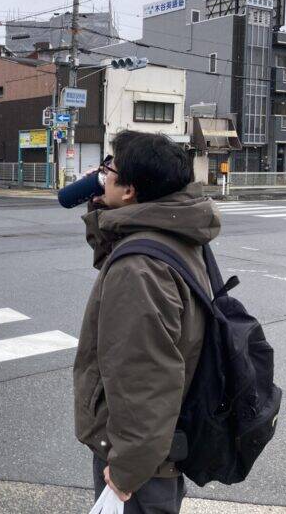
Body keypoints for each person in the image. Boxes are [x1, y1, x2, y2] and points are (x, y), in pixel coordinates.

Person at [73, 130, 221, 513]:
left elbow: (145, 383)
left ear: (129, 192)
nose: (101, 175)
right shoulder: (176, 234)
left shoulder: (138, 269)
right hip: (159, 451)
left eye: (109, 169)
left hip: (140, 464)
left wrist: (126, 471)